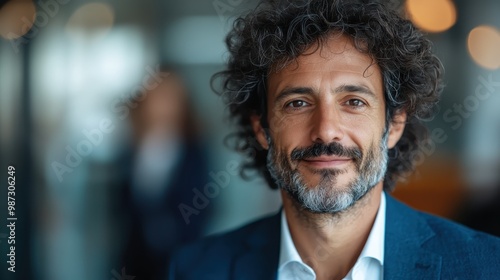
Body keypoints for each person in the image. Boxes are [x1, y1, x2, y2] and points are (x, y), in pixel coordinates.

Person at [169, 0, 500, 279]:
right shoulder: (194, 269)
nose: (326, 130)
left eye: (354, 102)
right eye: (297, 103)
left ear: (395, 122)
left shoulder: (487, 265)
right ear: (262, 128)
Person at [119, 68, 210, 280]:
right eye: (156, 97)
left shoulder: (194, 150)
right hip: (135, 260)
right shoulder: (131, 148)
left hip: (180, 257)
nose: (161, 105)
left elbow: (203, 204)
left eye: (169, 98)